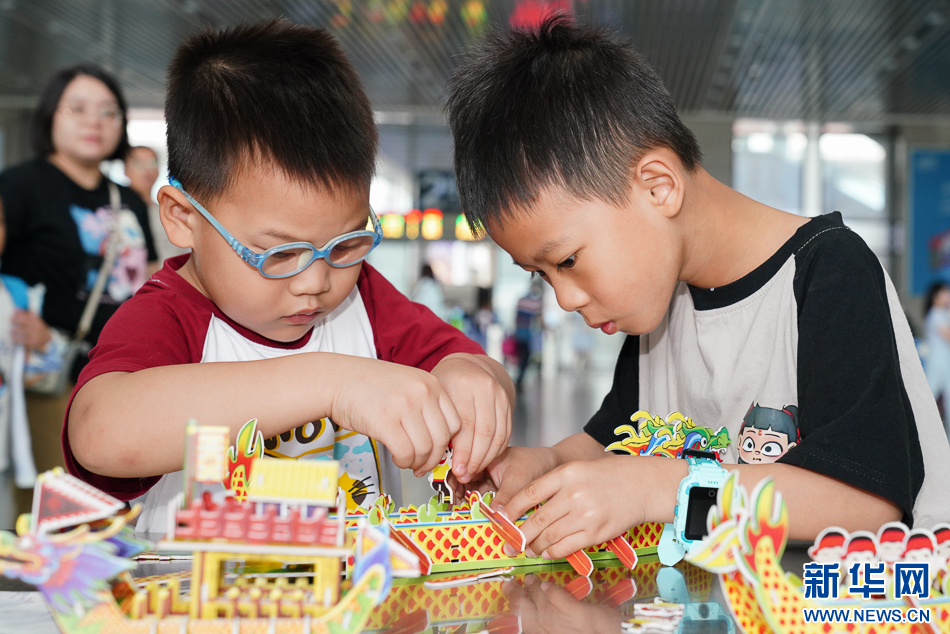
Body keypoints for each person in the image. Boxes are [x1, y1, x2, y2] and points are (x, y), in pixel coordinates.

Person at [446, 16, 950, 559]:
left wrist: (655, 487)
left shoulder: (830, 272)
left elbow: (865, 504)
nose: (565, 298)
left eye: (567, 260)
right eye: (541, 274)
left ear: (658, 187)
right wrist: (542, 465)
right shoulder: (657, 308)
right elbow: (607, 443)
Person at [64, 20, 514, 533]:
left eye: (345, 244)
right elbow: (100, 433)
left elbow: (472, 366)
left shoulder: (363, 299)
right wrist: (333, 382)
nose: (315, 281)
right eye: (279, 253)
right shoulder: (166, 316)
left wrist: (473, 381)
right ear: (183, 218)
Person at [0, 65, 158, 488]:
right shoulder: (19, 186)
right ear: (50, 115)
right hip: (49, 376)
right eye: (78, 108)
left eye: (108, 111)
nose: (95, 121)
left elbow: (150, 280)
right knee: (62, 502)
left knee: (121, 501)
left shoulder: (128, 200)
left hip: (123, 377)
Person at [125, 145, 187, 263]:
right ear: (125, 170)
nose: (146, 170)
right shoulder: (116, 212)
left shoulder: (169, 213)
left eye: (152, 163)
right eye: (138, 164)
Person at [923, 280, 950, 429]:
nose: (948, 296)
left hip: (946, 363)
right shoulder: (936, 315)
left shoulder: (944, 314)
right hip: (937, 362)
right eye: (945, 293)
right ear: (936, 296)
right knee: (929, 395)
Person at [514, 280, 543, 390]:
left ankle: (518, 380)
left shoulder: (521, 300)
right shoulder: (536, 303)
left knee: (520, 358)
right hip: (527, 335)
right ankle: (519, 380)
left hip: (519, 333)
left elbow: (516, 318)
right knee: (525, 359)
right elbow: (539, 320)